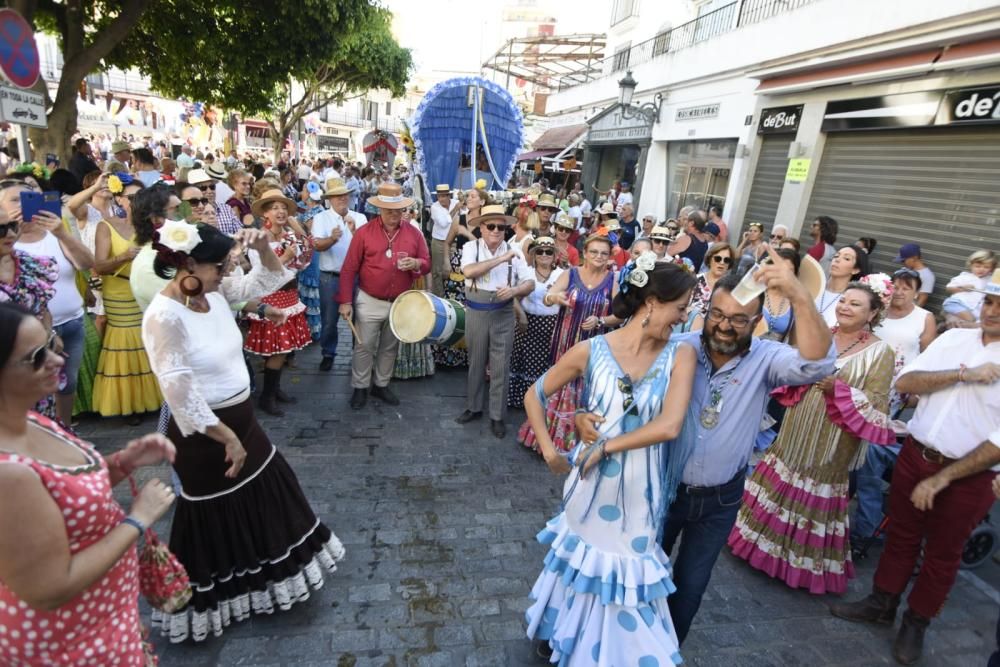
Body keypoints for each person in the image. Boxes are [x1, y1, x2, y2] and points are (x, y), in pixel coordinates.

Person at [583, 248, 835, 645]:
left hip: (720, 500)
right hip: (661, 492)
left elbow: (818, 364)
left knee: (690, 588)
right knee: (639, 576)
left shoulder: (768, 359)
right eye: (717, 315)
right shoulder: (677, 349)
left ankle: (664, 652)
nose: (724, 326)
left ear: (756, 321)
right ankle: (621, 648)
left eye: (738, 319)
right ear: (706, 310)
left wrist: (799, 295)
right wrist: (584, 414)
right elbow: (618, 379)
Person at [141, 222, 344, 642]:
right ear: (189, 266)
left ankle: (260, 585)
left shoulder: (211, 293)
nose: (226, 271)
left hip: (242, 422)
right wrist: (227, 438)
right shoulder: (163, 318)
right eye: (220, 265)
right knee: (216, 517)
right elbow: (180, 395)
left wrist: (267, 245)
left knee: (266, 492)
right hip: (204, 437)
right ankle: (219, 602)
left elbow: (270, 278)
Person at [524, 259, 696, 664]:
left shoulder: (681, 354)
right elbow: (536, 394)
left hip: (641, 493)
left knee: (628, 575)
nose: (684, 316)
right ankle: (570, 637)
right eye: (681, 306)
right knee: (583, 564)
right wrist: (549, 450)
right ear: (652, 302)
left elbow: (670, 426)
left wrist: (604, 447)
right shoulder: (591, 350)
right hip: (588, 488)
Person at [830, 268, 1000, 665]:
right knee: (902, 536)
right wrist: (961, 374)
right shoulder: (957, 338)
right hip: (916, 453)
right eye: (989, 301)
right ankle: (882, 602)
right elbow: (906, 383)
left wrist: (942, 479)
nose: (991, 311)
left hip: (968, 475)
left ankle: (916, 623)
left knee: (943, 554)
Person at [0, 301, 177, 666]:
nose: (58, 360)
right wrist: (137, 520)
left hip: (103, 618)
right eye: (36, 357)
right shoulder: (8, 474)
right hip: (67, 641)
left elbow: (65, 496)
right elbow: (50, 588)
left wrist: (122, 462)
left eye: (51, 344)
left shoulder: (32, 419)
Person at [728, 276, 897, 595]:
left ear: (873, 314)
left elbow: (878, 403)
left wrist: (841, 390)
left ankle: (796, 566)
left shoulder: (880, 353)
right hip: (797, 424)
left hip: (833, 438)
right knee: (782, 471)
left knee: (812, 484)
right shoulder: (821, 335)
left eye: (856, 304)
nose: (846, 307)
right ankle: (757, 549)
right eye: (844, 301)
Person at [851, 267, 936, 550]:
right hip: (861, 387)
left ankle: (864, 526)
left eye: (906, 286)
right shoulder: (878, 312)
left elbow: (930, 359)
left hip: (895, 399)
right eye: (896, 285)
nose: (899, 291)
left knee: (869, 457)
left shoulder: (924, 318)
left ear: (916, 291)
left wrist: (917, 394)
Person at [519, 234, 620, 453]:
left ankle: (578, 440)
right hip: (565, 341)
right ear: (585, 253)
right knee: (560, 382)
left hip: (595, 345)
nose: (598, 257)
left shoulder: (613, 279)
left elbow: (620, 315)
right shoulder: (571, 274)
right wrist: (554, 298)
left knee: (586, 386)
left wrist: (601, 320)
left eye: (604, 253)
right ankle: (547, 439)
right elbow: (549, 295)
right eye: (594, 252)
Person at [9, 180, 95, 426]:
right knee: (34, 390)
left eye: (28, 196)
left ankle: (66, 431)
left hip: (71, 323)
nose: (24, 203)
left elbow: (87, 263)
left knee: (67, 383)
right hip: (26, 335)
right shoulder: (6, 242)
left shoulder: (56, 231)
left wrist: (62, 233)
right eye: (15, 199)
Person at [338, 183, 430, 410]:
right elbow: (349, 269)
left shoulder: (413, 233)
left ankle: (381, 384)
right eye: (389, 211)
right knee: (364, 345)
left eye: (398, 210)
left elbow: (427, 264)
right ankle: (360, 387)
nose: (394, 215)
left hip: (400, 302)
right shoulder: (364, 233)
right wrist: (345, 301)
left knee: (390, 347)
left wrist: (416, 263)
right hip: (369, 299)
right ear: (379, 210)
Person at [454, 205, 534, 438]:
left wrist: (515, 291)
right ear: (481, 227)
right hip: (477, 313)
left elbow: (530, 282)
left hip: (503, 314)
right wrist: (501, 259)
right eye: (491, 226)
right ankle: (474, 407)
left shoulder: (514, 250)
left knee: (500, 366)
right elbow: (469, 272)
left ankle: (497, 416)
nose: (497, 231)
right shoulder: (471, 247)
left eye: (501, 226)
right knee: (476, 362)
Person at [91, 175, 162, 422]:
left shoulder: (152, 228)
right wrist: (123, 257)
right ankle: (129, 403)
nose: (137, 202)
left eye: (141, 197)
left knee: (149, 340)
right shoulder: (106, 225)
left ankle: (154, 398)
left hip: (146, 291)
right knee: (126, 342)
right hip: (119, 292)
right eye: (132, 198)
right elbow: (98, 266)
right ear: (120, 200)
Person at [242, 189, 313, 416]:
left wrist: (298, 241)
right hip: (271, 300)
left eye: (283, 208)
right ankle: (267, 396)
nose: (281, 212)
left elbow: (305, 257)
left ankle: (275, 389)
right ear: (265, 213)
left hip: (289, 296)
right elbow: (262, 273)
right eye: (275, 208)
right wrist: (286, 257)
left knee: (283, 349)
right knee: (277, 350)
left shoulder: (289, 235)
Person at [311, 178, 364, 371]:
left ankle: (358, 355)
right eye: (337, 196)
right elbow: (317, 245)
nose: (342, 198)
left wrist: (355, 232)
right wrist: (332, 239)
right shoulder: (321, 218)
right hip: (330, 277)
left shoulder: (360, 218)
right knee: (329, 320)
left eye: (345, 195)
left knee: (358, 319)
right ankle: (328, 353)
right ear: (330, 199)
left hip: (357, 277)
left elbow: (367, 247)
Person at [508, 236, 563, 409]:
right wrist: (521, 316)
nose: (544, 255)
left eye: (549, 252)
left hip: (552, 325)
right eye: (540, 251)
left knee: (544, 363)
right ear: (534, 254)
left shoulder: (562, 274)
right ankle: (519, 400)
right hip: (527, 323)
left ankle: (538, 401)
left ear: (554, 256)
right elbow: (513, 296)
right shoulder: (527, 273)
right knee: (521, 361)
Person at [393, 204, 436, 380]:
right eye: (401, 210)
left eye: (408, 211)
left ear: (414, 214)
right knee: (400, 321)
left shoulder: (416, 233)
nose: (404, 214)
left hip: (416, 284)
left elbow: (427, 264)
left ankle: (415, 366)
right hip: (399, 286)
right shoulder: (392, 233)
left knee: (415, 322)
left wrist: (429, 290)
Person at [815, 245, 871, 327]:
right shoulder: (815, 287)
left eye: (847, 258)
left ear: (855, 270)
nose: (837, 260)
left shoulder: (852, 301)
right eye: (836, 256)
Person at [688, 242, 735, 331]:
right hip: (690, 332)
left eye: (726, 260)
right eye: (718, 258)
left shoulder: (732, 288)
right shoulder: (695, 281)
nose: (722, 262)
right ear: (709, 259)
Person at [941, 249, 996, 324]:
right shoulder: (964, 276)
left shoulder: (991, 279)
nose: (981, 269)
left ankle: (946, 325)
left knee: (975, 321)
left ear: (992, 269)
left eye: (986, 267)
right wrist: (962, 288)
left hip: (975, 308)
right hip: (958, 303)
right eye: (977, 266)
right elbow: (948, 288)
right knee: (970, 319)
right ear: (971, 265)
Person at [758, 248, 801, 342]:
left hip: (775, 355)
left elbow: (794, 344)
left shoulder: (794, 304)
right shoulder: (756, 292)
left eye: (788, 271)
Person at [429, 184, 457, 297]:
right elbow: (443, 223)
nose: (441, 199)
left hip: (454, 242)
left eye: (444, 196)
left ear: (448, 196)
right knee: (437, 271)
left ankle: (451, 295)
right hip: (439, 241)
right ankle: (438, 297)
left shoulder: (456, 202)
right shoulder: (434, 207)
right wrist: (456, 209)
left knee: (454, 269)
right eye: (439, 196)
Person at [893, 243, 935, 308]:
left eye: (904, 260)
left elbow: (922, 299)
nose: (902, 263)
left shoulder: (927, 275)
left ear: (914, 258)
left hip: (909, 308)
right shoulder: (906, 270)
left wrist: (911, 314)